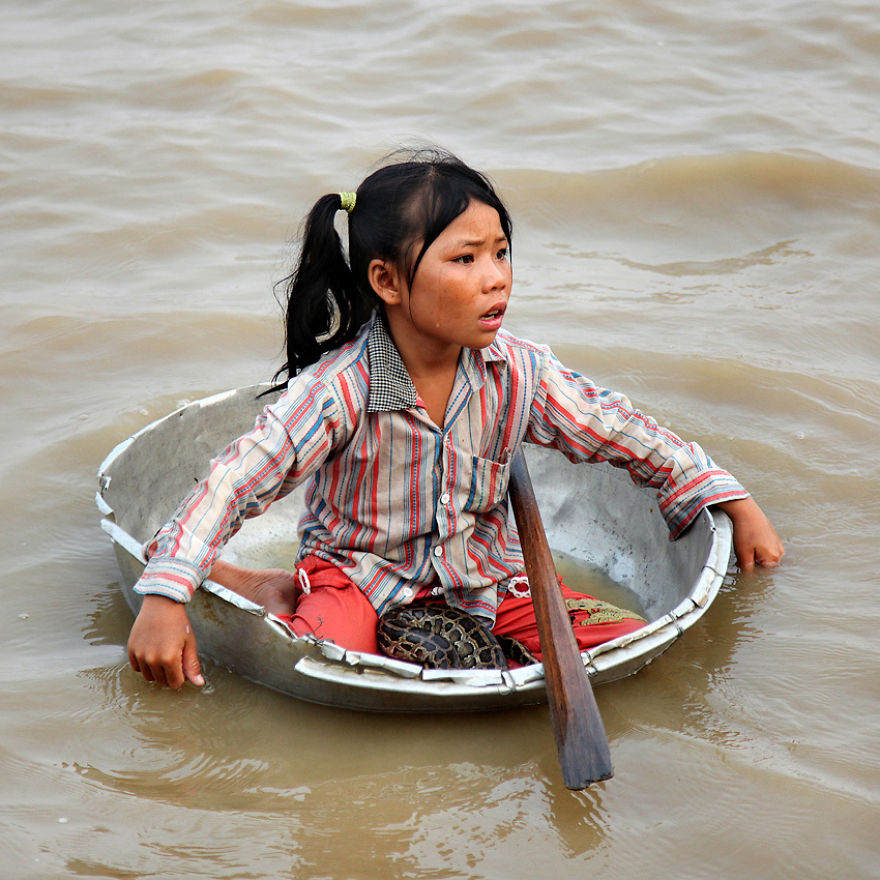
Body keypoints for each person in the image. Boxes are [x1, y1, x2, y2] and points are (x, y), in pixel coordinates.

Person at [127, 149, 784, 688]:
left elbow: (620, 431)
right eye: (465, 260)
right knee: (324, 659)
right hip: (361, 579)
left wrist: (731, 496)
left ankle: (459, 646)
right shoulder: (338, 392)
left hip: (487, 580)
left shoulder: (519, 374)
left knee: (624, 647)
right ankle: (250, 581)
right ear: (388, 282)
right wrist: (164, 598)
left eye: (501, 253)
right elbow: (237, 481)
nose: (495, 278)